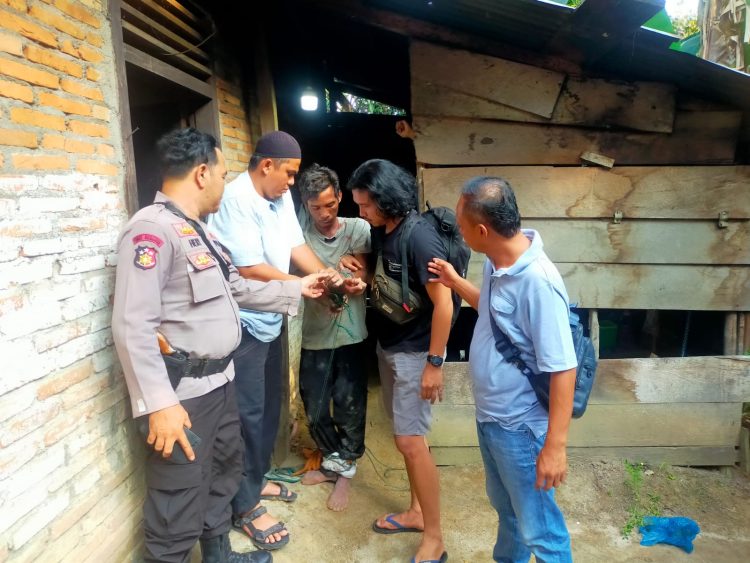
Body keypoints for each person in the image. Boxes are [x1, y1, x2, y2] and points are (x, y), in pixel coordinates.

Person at [112, 127, 330, 563]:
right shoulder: (151, 232)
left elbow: (235, 286)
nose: (226, 184)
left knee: (220, 476)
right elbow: (132, 324)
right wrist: (158, 404)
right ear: (201, 173)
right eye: (224, 173)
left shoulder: (198, 232)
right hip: (182, 398)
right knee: (176, 502)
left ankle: (220, 557)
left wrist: (298, 289)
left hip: (220, 383)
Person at [207, 132, 350, 550]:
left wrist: (327, 275)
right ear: (266, 165)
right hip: (243, 325)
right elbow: (249, 269)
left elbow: (294, 245)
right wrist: (304, 284)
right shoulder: (236, 200)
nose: (292, 182)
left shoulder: (278, 196)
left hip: (270, 318)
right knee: (246, 416)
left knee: (269, 410)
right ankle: (245, 505)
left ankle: (253, 482)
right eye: (288, 173)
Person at [427, 176, 577, 563]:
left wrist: (554, 448)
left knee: (542, 531)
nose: (459, 233)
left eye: (461, 227)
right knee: (508, 510)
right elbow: (494, 315)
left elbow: (563, 368)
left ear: (482, 230)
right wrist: (456, 281)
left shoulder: (539, 283)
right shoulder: (497, 262)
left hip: (522, 428)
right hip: (493, 418)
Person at [346, 159, 454, 563]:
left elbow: (444, 305)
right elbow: (394, 279)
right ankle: (415, 511)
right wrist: (365, 273)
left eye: (365, 206)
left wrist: (435, 363)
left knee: (410, 442)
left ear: (386, 199)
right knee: (409, 440)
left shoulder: (420, 236)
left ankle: (435, 536)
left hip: (415, 354)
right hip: (389, 347)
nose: (362, 214)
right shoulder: (386, 231)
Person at [294, 164, 369, 511]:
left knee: (349, 404)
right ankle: (331, 459)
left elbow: (369, 270)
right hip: (314, 333)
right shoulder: (297, 234)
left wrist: (358, 277)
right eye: (315, 207)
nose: (324, 214)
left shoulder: (358, 230)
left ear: (340, 197)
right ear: (305, 204)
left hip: (351, 334)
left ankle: (345, 471)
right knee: (314, 404)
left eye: (330, 204)